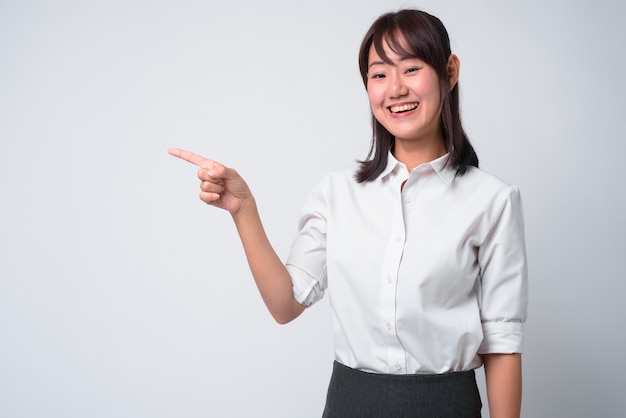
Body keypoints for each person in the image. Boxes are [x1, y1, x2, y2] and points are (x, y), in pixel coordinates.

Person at [169, 8, 528, 418]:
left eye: (411, 68)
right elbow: (285, 305)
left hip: (447, 405)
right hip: (350, 404)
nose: (395, 88)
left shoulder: (493, 200)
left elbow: (502, 344)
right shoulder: (336, 193)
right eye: (379, 74)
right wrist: (243, 210)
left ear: (450, 71)